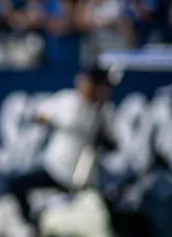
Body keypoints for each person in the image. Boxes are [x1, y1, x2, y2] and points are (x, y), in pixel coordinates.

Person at [7, 68, 116, 227]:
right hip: (56, 170)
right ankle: (32, 225)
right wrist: (50, 120)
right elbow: (40, 114)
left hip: (83, 178)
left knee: (101, 209)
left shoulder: (103, 112)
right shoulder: (68, 101)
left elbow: (112, 144)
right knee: (17, 185)